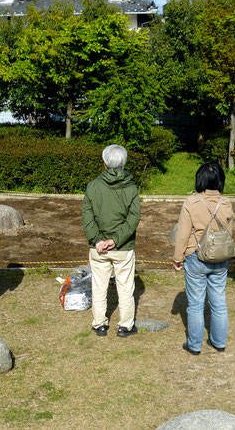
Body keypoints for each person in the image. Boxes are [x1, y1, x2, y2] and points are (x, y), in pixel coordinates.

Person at [173, 162, 233, 355]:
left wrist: (177, 258)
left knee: (196, 304)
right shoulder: (226, 203)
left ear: (200, 179)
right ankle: (219, 341)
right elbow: (228, 232)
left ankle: (195, 344)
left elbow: (182, 233)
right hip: (220, 257)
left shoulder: (191, 202)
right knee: (219, 302)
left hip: (195, 256)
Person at [82, 145, 141, 338]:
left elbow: (87, 216)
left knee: (99, 286)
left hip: (99, 248)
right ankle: (125, 326)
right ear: (123, 163)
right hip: (123, 247)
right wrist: (114, 241)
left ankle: (100, 324)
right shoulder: (131, 187)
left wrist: (98, 240)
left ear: (105, 163)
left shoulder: (93, 186)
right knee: (125, 287)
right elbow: (133, 219)